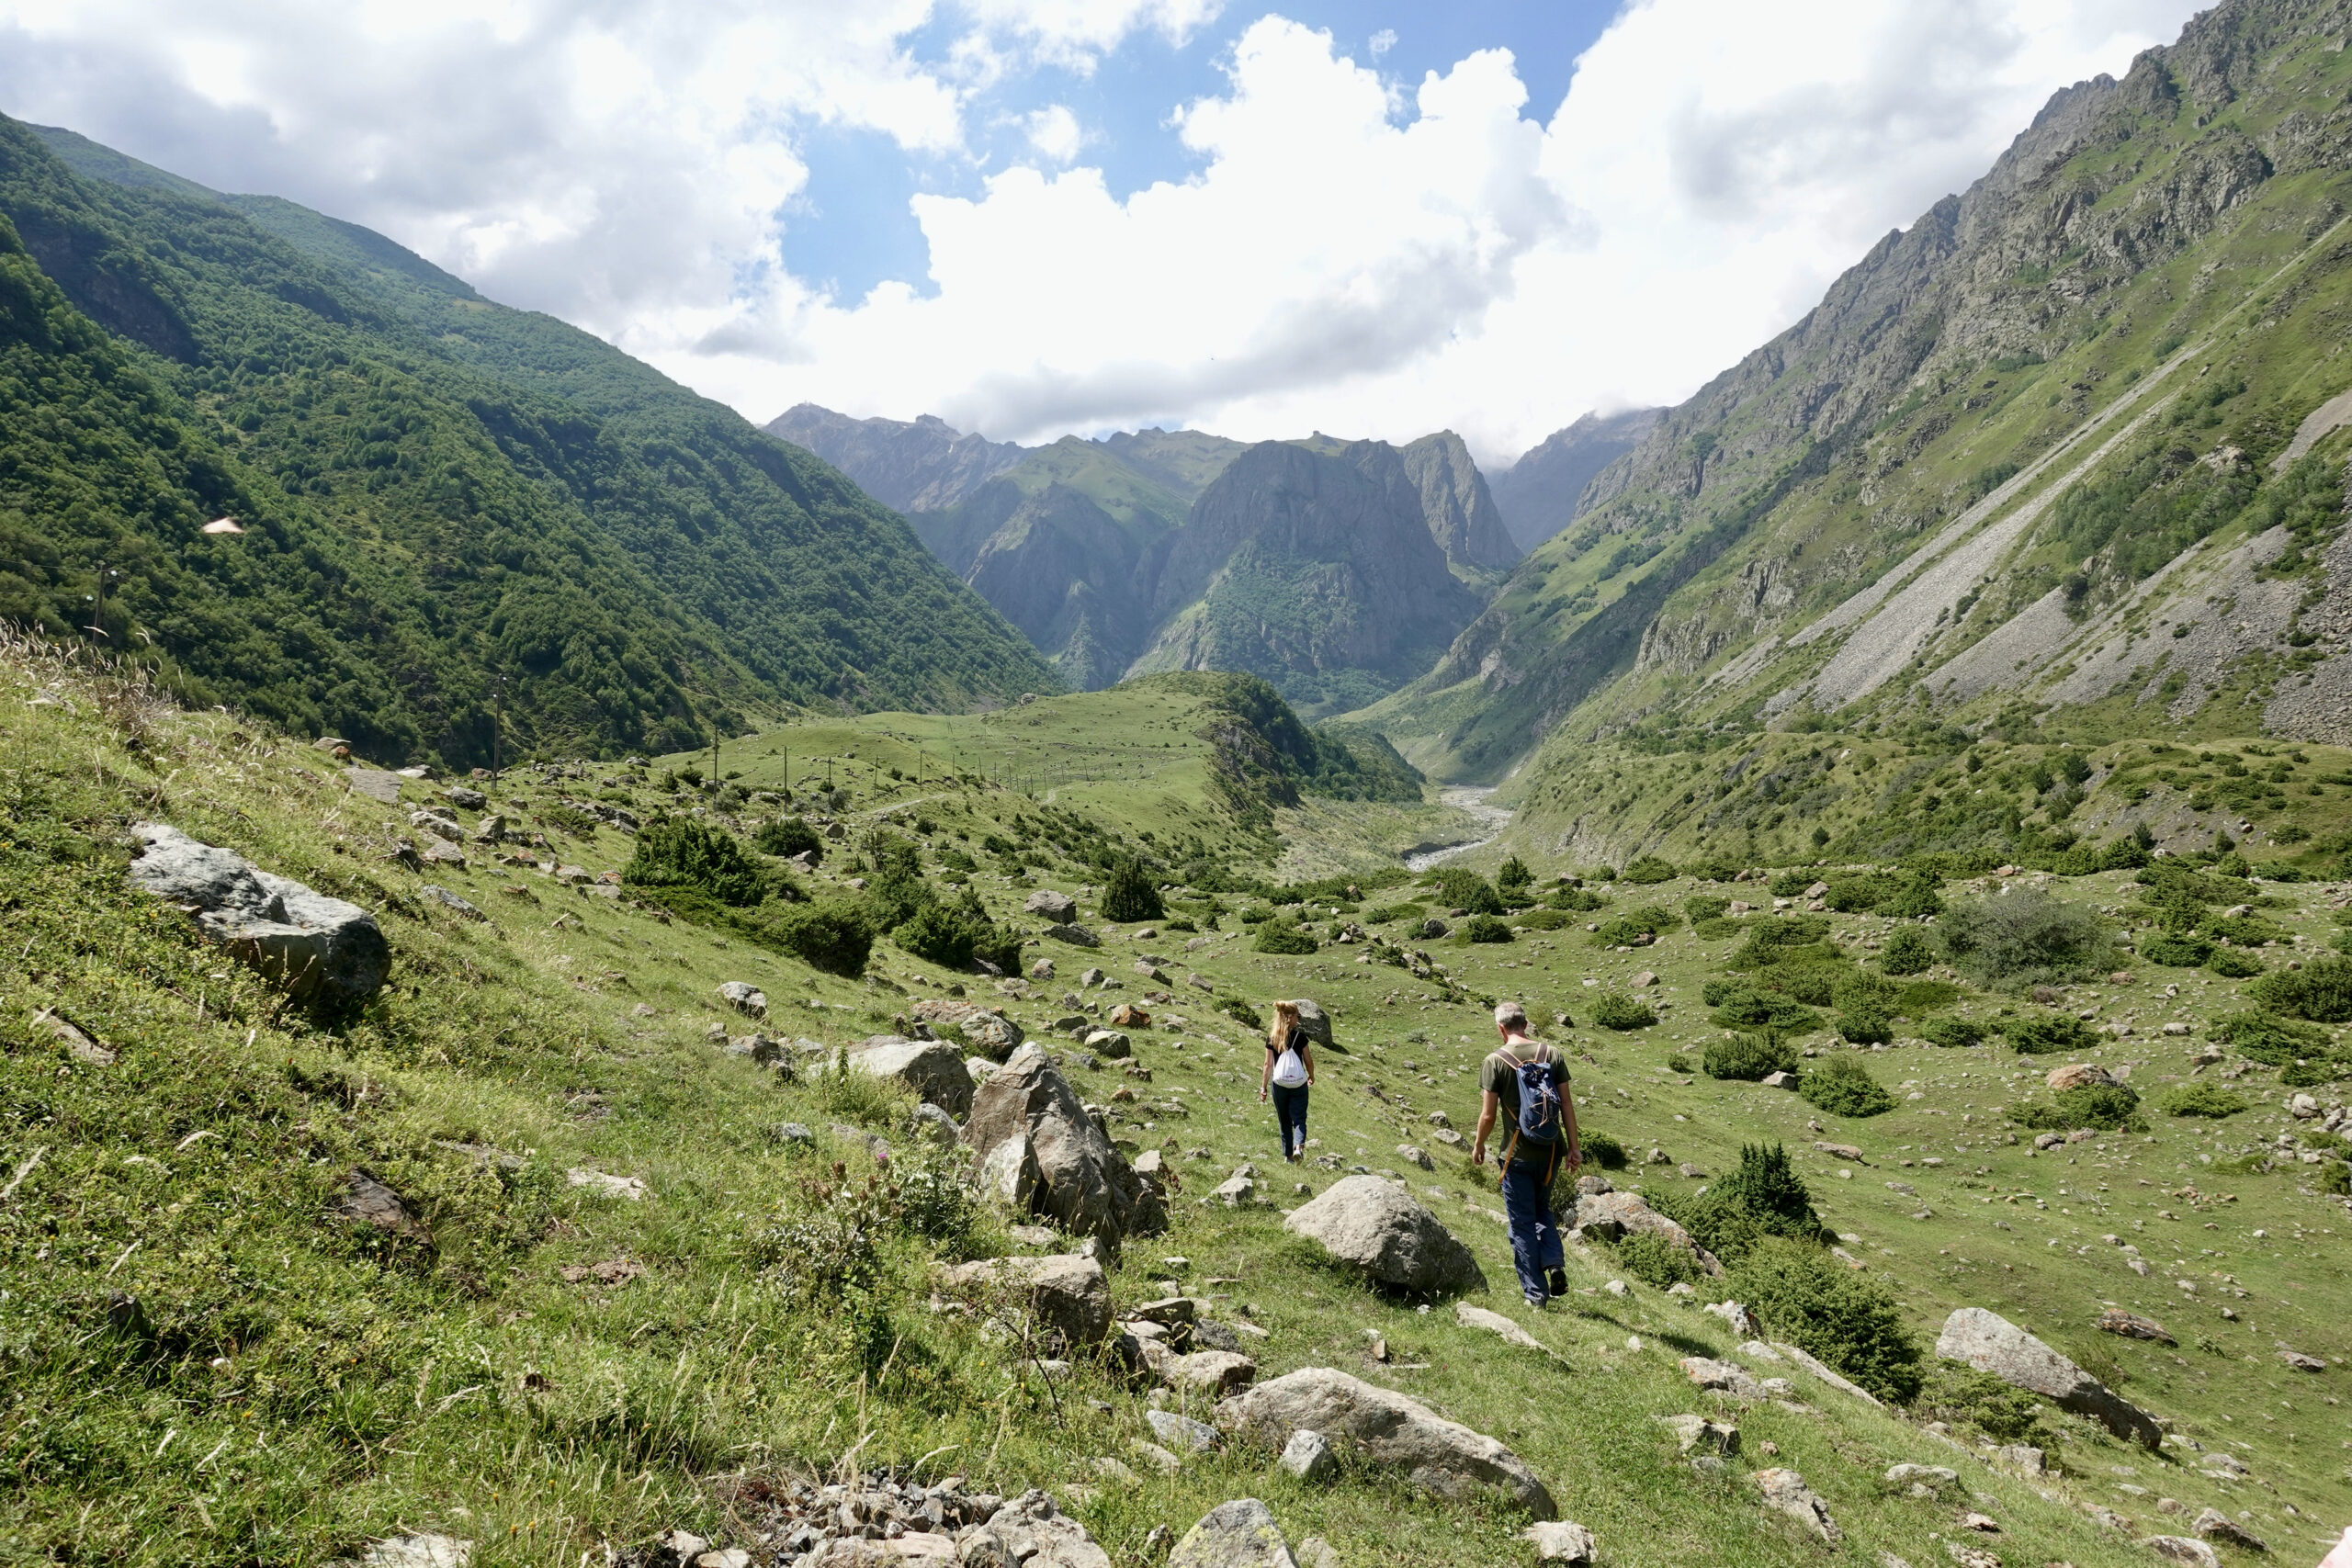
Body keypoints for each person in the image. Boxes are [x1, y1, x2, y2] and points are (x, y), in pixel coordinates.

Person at [1471, 999, 1579, 1307]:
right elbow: (1567, 1105)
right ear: (1526, 1024)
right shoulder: (1551, 1054)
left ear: (1501, 1029)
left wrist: (1479, 1144)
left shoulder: (1495, 1060)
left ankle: (1535, 1295)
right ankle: (1554, 1262)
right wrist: (1573, 1147)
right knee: (1542, 1209)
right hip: (1551, 1150)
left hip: (1515, 1154)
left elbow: (1488, 1115)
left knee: (1521, 1222)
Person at [1258, 999, 1316, 1162]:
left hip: (1279, 1083)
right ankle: (1298, 1147)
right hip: (1299, 1083)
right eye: (1298, 1016)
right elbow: (1308, 1061)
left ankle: (1288, 1157)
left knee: (1284, 1119)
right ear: (1290, 1017)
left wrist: (1263, 1087)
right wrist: (1311, 1075)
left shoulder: (1272, 1038)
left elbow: (1268, 1064)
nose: (1299, 1019)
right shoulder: (1300, 1037)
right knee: (1299, 1118)